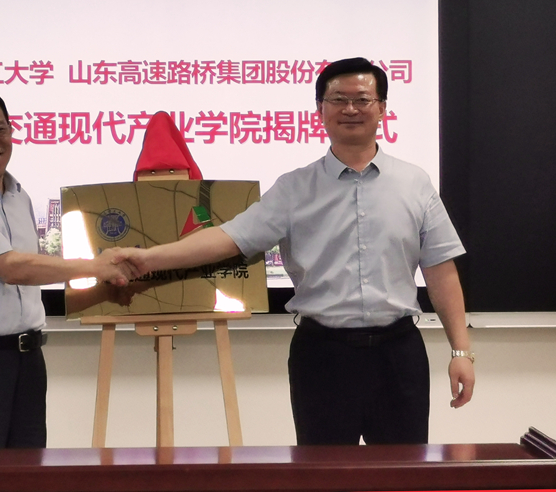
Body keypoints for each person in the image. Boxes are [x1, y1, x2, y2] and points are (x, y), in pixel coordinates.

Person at [114, 57, 474, 445]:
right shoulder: (293, 188)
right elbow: (229, 238)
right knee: (320, 473)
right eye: (338, 99)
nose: (350, 109)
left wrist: (461, 352)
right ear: (320, 109)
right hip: (322, 356)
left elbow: (440, 270)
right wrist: (148, 258)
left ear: (383, 108)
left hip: (398, 354)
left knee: (404, 472)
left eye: (362, 99)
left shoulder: (415, 183)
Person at [0, 87, 130, 449]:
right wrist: (97, 267)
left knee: (27, 471)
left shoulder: (19, 195)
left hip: (25, 361)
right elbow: (12, 268)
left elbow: (28, 274)